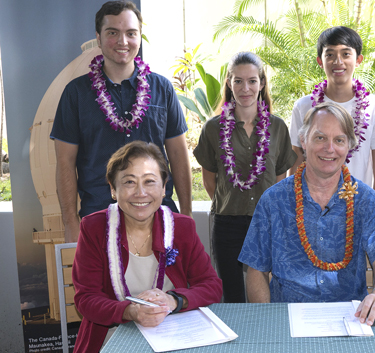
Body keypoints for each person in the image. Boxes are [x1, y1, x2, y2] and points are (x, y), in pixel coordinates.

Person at [239, 102, 375, 327]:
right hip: (287, 319)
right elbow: (256, 269)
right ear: (303, 141)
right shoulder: (273, 201)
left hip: (352, 319)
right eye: (320, 138)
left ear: (349, 146)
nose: (329, 148)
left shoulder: (367, 200)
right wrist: (268, 321)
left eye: (339, 140)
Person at [51, 1, 192, 243]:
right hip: (98, 219)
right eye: (112, 33)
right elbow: (65, 163)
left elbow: (179, 154)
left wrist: (187, 216)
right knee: (103, 283)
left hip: (158, 216)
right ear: (98, 37)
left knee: (165, 283)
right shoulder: (75, 93)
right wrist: (71, 223)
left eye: (130, 33)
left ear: (139, 37)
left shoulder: (162, 89)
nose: (123, 41)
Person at [72, 141, 222, 352]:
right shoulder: (94, 228)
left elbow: (211, 285)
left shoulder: (182, 227)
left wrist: (173, 301)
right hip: (111, 335)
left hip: (172, 335)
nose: (140, 193)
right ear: (113, 189)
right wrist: (130, 312)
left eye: (150, 181)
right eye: (129, 182)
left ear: (163, 188)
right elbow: (86, 299)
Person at [193, 52, 296, 303]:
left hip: (267, 222)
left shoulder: (278, 127)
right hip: (228, 224)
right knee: (233, 294)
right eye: (238, 81)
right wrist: (231, 204)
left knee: (267, 293)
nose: (245, 88)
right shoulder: (212, 129)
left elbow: (281, 179)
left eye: (252, 81)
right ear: (229, 83)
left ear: (261, 83)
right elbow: (210, 180)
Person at [289, 26, 375, 202]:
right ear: (320, 61)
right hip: (312, 204)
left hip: (358, 204)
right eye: (330, 54)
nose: (338, 61)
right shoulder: (304, 106)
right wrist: (294, 205)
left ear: (358, 59)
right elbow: (297, 160)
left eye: (346, 54)